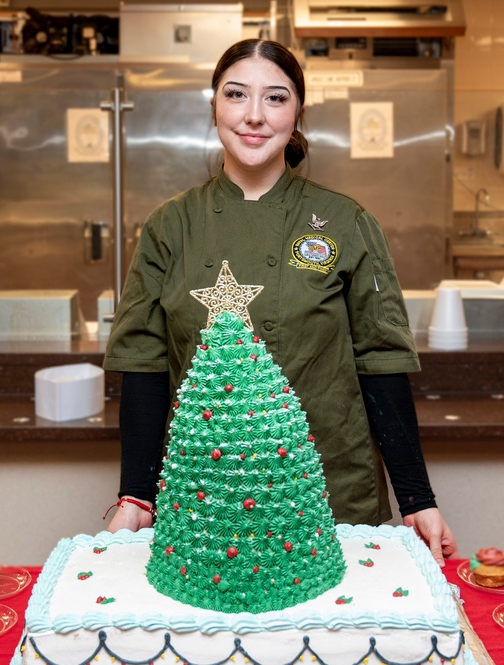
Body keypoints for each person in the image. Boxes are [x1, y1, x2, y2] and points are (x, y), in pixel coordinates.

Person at [102, 39, 459, 565]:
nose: (253, 115)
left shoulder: (345, 222)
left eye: (275, 98)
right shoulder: (169, 227)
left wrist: (417, 498)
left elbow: (380, 364)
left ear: (297, 114)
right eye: (236, 95)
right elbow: (145, 364)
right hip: (206, 494)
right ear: (214, 107)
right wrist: (136, 493)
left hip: (330, 491)